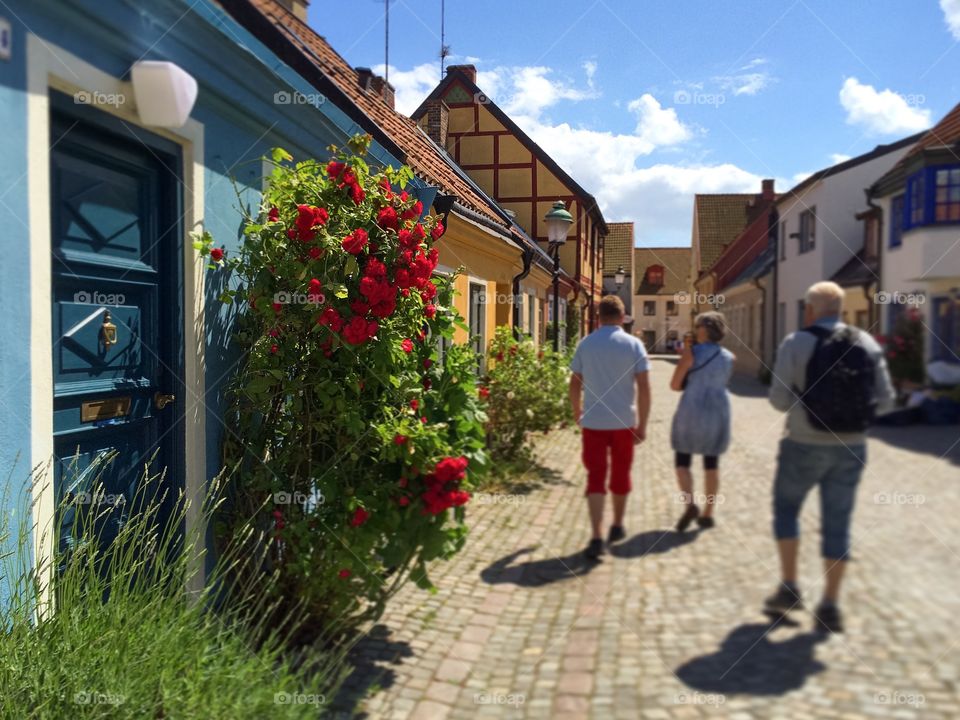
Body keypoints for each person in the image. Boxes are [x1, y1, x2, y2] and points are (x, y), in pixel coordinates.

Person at [766, 281, 895, 633]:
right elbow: (885, 400)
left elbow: (778, 400)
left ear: (809, 310)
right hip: (851, 446)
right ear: (839, 309)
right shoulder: (866, 342)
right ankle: (831, 604)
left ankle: (790, 586)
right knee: (838, 520)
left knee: (787, 509)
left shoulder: (796, 343)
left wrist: (804, 405)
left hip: (803, 442)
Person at [569, 295, 652, 560]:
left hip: (593, 420)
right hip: (623, 422)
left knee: (595, 477)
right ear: (621, 316)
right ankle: (616, 525)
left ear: (598, 316)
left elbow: (574, 383)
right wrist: (643, 424)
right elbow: (645, 388)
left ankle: (596, 535)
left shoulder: (586, 344)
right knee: (620, 474)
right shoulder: (634, 345)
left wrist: (576, 412)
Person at [669, 312, 734, 532]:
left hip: (692, 411)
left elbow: (675, 385)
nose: (696, 330)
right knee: (711, 465)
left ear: (704, 330)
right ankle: (708, 513)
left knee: (682, 463)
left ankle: (690, 505)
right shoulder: (728, 357)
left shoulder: (691, 354)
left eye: (697, 327)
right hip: (718, 412)